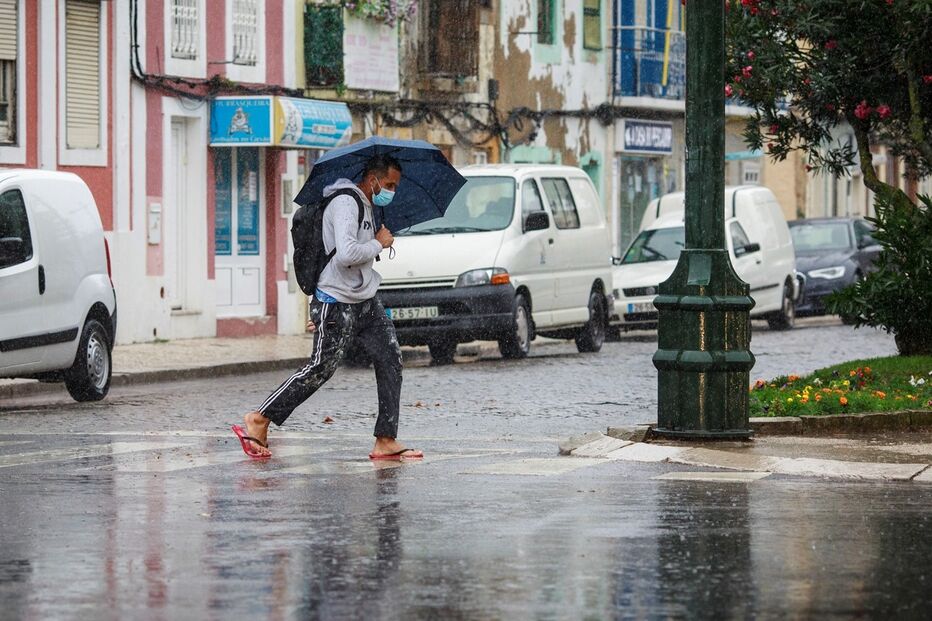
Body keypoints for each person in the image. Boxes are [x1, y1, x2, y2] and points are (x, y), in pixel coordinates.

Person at [232, 154, 422, 461]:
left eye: (395, 186)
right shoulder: (345, 202)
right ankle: (260, 418)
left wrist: (375, 241)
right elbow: (347, 253)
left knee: (391, 359)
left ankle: (386, 438)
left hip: (364, 298)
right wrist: (378, 243)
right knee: (321, 367)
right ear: (372, 179)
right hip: (336, 300)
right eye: (388, 184)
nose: (391, 190)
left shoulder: (367, 205)